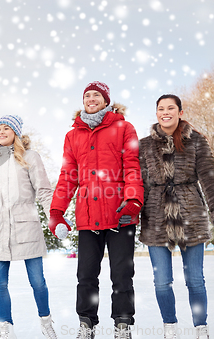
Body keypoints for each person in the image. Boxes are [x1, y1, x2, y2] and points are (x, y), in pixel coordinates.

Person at [48, 81, 144, 339]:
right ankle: (86, 324)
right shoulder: (73, 135)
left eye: (96, 95)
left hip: (120, 214)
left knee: (122, 274)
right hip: (88, 216)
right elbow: (67, 175)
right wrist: (57, 211)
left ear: (106, 100)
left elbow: (132, 166)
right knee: (86, 275)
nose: (91, 99)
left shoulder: (124, 127)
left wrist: (134, 200)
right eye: (87, 95)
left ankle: (122, 326)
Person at [138, 94, 214, 339]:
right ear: (157, 113)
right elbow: (139, 184)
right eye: (161, 108)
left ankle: (200, 328)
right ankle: (169, 328)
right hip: (156, 217)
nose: (165, 112)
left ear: (180, 112)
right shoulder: (145, 145)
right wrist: (130, 214)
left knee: (195, 280)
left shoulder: (196, 142)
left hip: (190, 213)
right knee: (162, 281)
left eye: (171, 108)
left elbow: (210, 178)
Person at [0, 115, 58, 339]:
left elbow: (44, 191)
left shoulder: (30, 157)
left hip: (27, 226)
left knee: (37, 281)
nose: (1, 132)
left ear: (15, 132)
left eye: (6, 128)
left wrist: (55, 217)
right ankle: (6, 326)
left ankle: (45, 320)